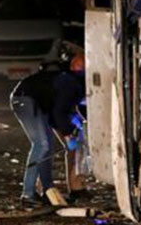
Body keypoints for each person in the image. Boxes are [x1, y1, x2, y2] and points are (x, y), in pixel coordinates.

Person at [10, 53, 86, 206]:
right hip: (26, 99)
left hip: (33, 101)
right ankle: (28, 194)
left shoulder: (67, 79)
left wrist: (68, 130)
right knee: (41, 144)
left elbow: (56, 111)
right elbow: (59, 112)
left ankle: (47, 189)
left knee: (47, 147)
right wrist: (67, 134)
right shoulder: (71, 83)